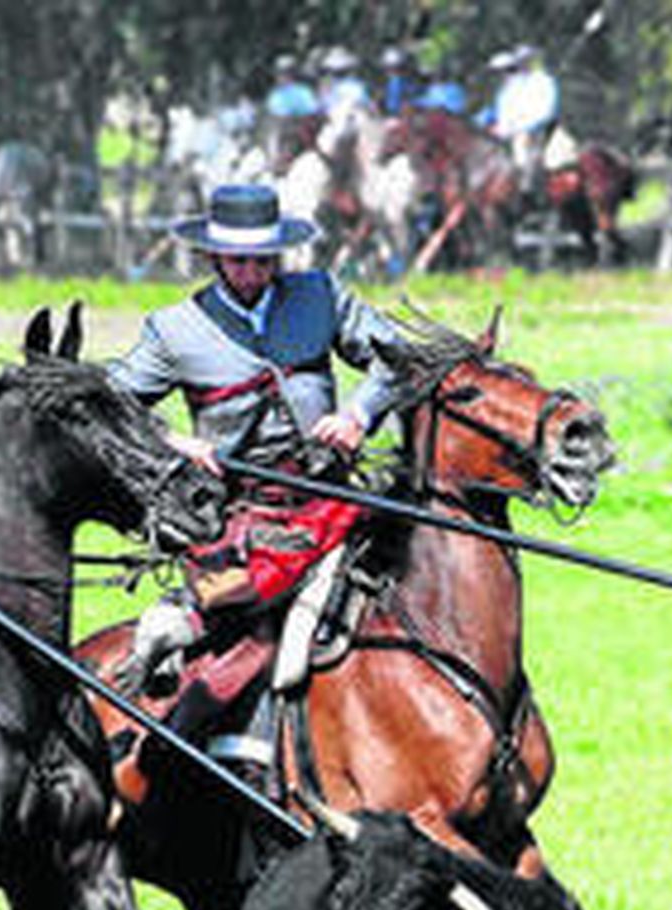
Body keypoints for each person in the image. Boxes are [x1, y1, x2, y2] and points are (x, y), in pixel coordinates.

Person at [105, 183, 429, 787]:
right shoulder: (174, 329)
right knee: (249, 617)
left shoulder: (321, 295)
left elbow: (396, 356)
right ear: (214, 259)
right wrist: (175, 442)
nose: (252, 272)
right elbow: (111, 405)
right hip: (241, 520)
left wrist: (358, 414)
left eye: (262, 260)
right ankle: (200, 732)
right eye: (238, 260)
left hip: (334, 498)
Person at [479, 44, 559, 199]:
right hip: (508, 132)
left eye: (527, 60)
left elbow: (544, 113)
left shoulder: (544, 81)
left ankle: (528, 195)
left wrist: (513, 129)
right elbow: (503, 113)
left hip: (535, 131)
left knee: (523, 159)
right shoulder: (508, 88)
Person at [263, 53, 321, 173]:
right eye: (279, 74)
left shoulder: (301, 92)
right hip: (288, 132)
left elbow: (312, 112)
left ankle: (276, 161)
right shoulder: (277, 95)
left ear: (291, 75)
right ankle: (274, 160)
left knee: (275, 135)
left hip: (296, 133)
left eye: (283, 74)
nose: (280, 78)